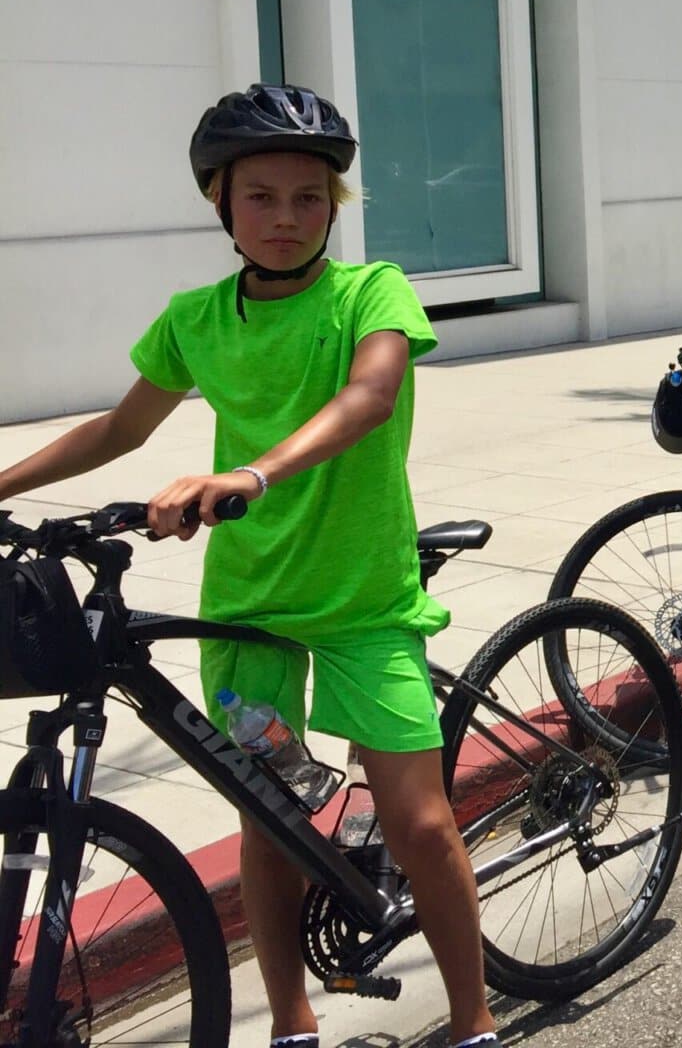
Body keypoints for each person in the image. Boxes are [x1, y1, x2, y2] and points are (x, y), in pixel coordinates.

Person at [0, 85, 501, 1048]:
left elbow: (372, 393)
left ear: (335, 207)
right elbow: (120, 426)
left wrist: (251, 472)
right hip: (246, 605)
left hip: (363, 599)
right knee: (268, 831)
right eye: (261, 196)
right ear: (220, 204)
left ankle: (474, 1019)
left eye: (309, 198)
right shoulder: (195, 319)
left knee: (422, 824)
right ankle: (289, 1020)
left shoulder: (370, 291)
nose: (285, 217)